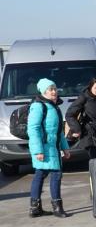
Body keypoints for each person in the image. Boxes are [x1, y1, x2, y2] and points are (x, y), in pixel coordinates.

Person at [28, 78, 70, 218]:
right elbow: (33, 129)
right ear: (43, 92)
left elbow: (59, 131)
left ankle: (35, 208)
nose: (54, 92)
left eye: (55, 89)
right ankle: (57, 208)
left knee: (40, 174)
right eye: (50, 89)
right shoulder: (39, 106)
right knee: (55, 174)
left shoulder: (54, 107)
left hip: (53, 147)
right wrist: (38, 151)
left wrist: (65, 148)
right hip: (44, 147)